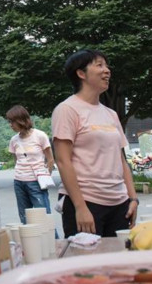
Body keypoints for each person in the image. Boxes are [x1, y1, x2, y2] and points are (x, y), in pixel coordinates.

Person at [52, 50, 138, 238]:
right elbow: (63, 161)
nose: (107, 70)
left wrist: (133, 199)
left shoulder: (111, 114)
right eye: (99, 65)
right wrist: (80, 207)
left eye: (107, 66)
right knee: (87, 264)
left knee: (118, 262)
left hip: (119, 203)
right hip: (86, 201)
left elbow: (121, 160)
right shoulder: (67, 110)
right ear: (81, 73)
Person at [7, 105, 55, 224]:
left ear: (21, 120)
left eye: (12, 121)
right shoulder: (14, 140)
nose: (10, 125)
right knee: (25, 218)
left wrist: (46, 176)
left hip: (36, 182)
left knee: (44, 217)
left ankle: (52, 241)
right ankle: (30, 242)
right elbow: (16, 160)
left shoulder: (40, 135)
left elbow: (50, 159)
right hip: (19, 182)